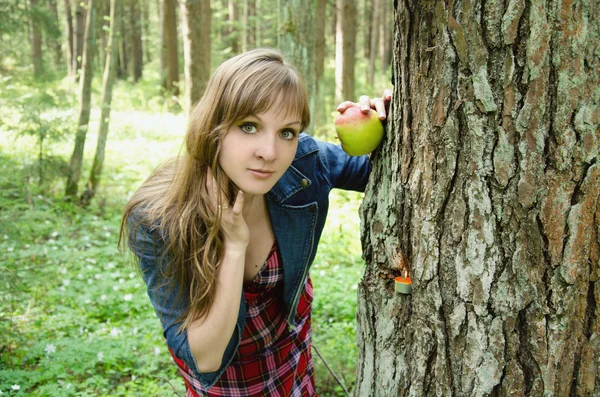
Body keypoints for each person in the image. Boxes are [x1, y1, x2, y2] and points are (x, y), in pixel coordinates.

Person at [120, 48, 391, 396]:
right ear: (213, 127)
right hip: (229, 385)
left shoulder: (304, 164)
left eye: (287, 132)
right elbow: (204, 357)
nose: (270, 152)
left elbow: (387, 171)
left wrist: (389, 117)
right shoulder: (157, 220)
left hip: (293, 365)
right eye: (249, 126)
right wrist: (234, 247)